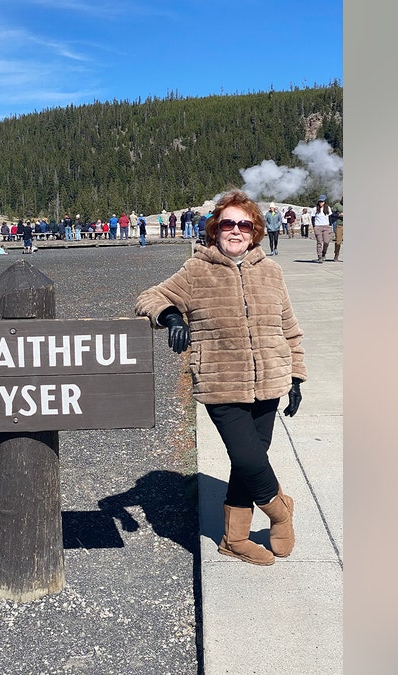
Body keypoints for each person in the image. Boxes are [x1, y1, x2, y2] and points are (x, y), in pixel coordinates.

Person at [135, 189, 306, 566]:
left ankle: (234, 538)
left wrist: (296, 376)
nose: (236, 230)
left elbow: (289, 328)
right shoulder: (197, 271)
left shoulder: (271, 270)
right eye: (228, 223)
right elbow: (148, 297)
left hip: (270, 381)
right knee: (248, 457)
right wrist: (171, 317)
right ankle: (281, 510)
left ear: (255, 231)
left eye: (244, 224)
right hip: (221, 383)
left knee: (248, 462)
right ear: (215, 229)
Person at [311, 195, 333, 263]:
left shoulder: (328, 208)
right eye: (320, 201)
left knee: (326, 242)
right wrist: (314, 226)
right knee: (319, 242)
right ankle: (319, 256)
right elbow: (313, 218)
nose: (321, 203)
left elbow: (330, 217)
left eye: (322, 201)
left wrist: (330, 224)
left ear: (325, 202)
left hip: (326, 226)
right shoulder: (315, 209)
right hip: (318, 226)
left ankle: (324, 253)